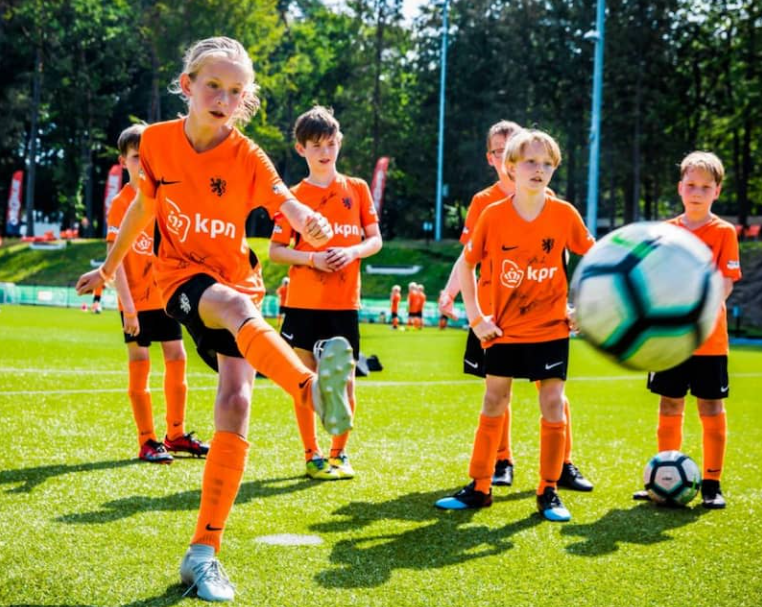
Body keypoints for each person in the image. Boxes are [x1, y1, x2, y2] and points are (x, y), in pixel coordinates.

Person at [76, 37, 353, 603]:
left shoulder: (248, 155)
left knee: (237, 398)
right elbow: (142, 208)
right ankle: (307, 388)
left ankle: (203, 553)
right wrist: (108, 270)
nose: (224, 98)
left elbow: (285, 202)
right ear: (187, 86)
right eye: (214, 86)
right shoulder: (154, 142)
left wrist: (309, 220)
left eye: (236, 91)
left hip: (238, 279)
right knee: (232, 308)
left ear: (244, 98)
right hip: (177, 277)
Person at [434, 130, 594, 522]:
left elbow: (597, 259)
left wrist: (584, 307)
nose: (539, 170)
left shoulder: (564, 214)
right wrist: (476, 318)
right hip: (503, 331)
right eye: (530, 162)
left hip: (551, 329)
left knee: (553, 404)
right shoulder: (492, 215)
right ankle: (480, 487)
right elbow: (467, 264)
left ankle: (549, 491)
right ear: (510, 167)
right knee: (494, 401)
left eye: (547, 164)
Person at [269, 105, 382, 481]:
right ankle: (311, 454)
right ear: (301, 149)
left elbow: (374, 240)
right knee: (304, 380)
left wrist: (351, 251)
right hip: (303, 303)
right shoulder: (292, 197)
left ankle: (339, 454)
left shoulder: (358, 189)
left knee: (345, 382)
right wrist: (312, 259)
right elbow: (276, 251)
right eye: (316, 144)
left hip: (343, 305)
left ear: (339, 144)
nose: (325, 151)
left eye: (331, 143)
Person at [634, 151, 741, 509]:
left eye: (705, 187)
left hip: (710, 340)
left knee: (710, 407)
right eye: (691, 185)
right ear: (680, 188)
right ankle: (662, 475)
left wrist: (699, 310)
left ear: (717, 192)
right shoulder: (666, 232)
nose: (697, 192)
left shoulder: (724, 232)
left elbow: (725, 282)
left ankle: (711, 482)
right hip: (670, 342)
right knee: (669, 404)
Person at [107, 123, 207, 464]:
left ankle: (175, 434)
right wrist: (129, 309)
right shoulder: (122, 205)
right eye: (136, 157)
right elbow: (115, 260)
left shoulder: (163, 198)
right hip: (135, 300)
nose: (142, 163)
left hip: (165, 296)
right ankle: (147, 440)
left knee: (178, 358)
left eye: (147, 156)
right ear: (124, 162)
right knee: (140, 362)